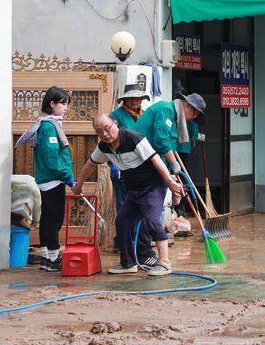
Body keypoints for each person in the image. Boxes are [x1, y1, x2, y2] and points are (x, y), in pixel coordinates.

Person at [72, 113, 183, 276]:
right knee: (123, 221)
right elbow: (90, 163)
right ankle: (128, 263)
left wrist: (170, 182)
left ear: (115, 124)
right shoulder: (104, 146)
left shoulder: (133, 138)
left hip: (153, 185)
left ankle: (164, 262)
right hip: (134, 189)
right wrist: (79, 183)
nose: (104, 134)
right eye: (99, 131)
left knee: (152, 221)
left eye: (107, 129)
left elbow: (156, 159)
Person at [14, 86, 74, 272]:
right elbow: (51, 156)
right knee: (53, 220)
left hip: (49, 179)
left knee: (47, 218)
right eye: (63, 103)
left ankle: (47, 258)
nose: (65, 108)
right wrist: (66, 175)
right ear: (52, 104)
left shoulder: (47, 124)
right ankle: (54, 259)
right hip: (53, 179)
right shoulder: (49, 127)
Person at [109, 83, 158, 269]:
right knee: (126, 213)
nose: (135, 101)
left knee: (142, 211)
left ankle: (139, 250)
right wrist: (113, 166)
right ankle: (133, 253)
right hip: (123, 171)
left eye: (139, 98)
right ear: (125, 99)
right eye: (132, 98)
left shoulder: (143, 114)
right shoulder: (116, 117)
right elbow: (108, 142)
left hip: (142, 169)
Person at [135, 92, 207, 179]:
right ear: (189, 106)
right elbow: (161, 141)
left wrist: (168, 172)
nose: (193, 118)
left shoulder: (175, 119)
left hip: (152, 166)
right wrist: (173, 162)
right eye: (195, 114)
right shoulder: (166, 108)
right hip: (142, 165)